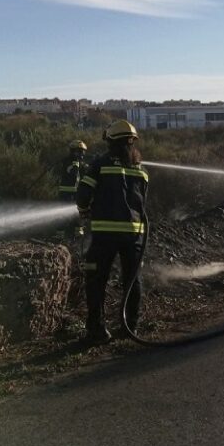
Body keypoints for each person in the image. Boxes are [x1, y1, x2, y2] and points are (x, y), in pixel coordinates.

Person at [76, 120, 149, 344]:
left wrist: (84, 210)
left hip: (105, 234)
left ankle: (97, 331)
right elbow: (142, 203)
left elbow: (83, 194)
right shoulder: (141, 170)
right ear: (132, 142)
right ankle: (130, 327)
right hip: (134, 234)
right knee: (132, 280)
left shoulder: (100, 164)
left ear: (110, 142)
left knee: (96, 280)